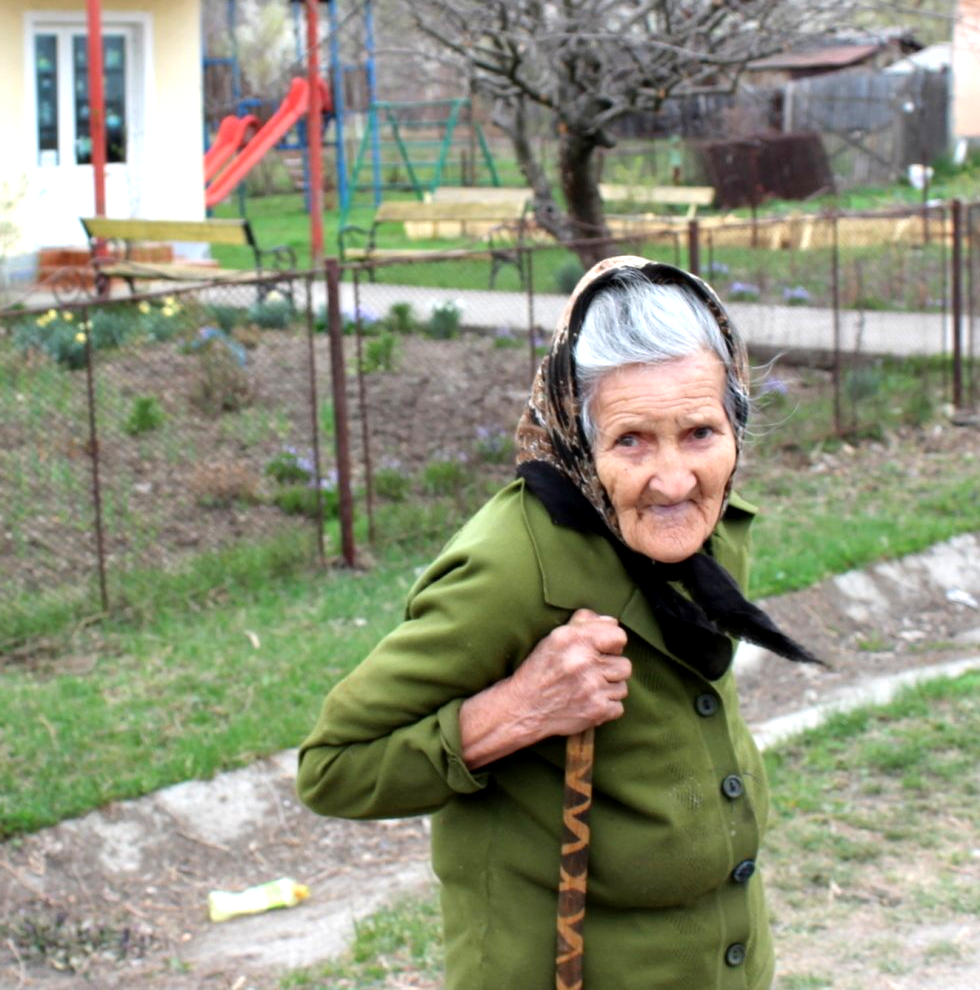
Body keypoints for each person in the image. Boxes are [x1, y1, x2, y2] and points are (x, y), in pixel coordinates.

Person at [296, 257, 820, 990]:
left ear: (736, 422)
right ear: (576, 432)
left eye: (700, 432)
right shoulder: (513, 569)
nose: (673, 479)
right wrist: (517, 711)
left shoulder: (707, 530)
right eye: (631, 440)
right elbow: (334, 768)